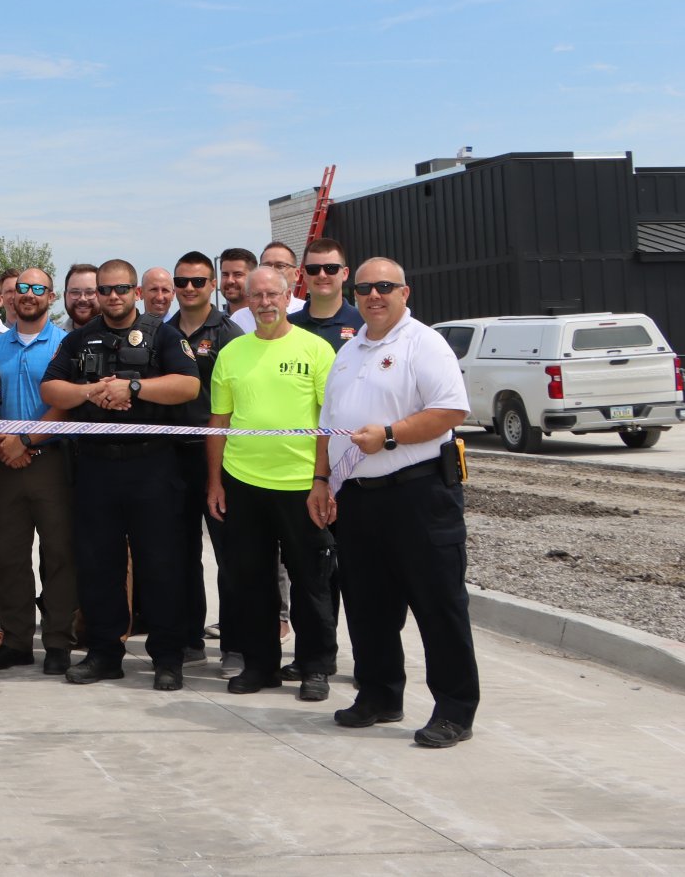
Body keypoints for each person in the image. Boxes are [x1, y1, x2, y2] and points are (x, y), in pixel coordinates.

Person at [314, 258, 479, 748]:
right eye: (364, 288)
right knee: (368, 605)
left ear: (405, 292)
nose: (373, 295)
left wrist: (389, 436)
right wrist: (320, 480)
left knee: (438, 604)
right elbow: (329, 422)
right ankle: (379, 695)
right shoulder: (349, 350)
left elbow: (451, 410)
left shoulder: (423, 343)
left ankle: (454, 709)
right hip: (358, 499)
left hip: (419, 494)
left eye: (384, 287)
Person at [40, 258, 201, 691]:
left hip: (152, 466)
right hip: (96, 466)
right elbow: (50, 389)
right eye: (104, 290)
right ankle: (104, 653)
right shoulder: (79, 340)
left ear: (135, 292)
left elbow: (188, 385)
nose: (112, 297)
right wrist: (91, 390)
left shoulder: (162, 335)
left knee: (161, 564)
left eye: (120, 289)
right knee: (98, 564)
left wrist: (132, 387)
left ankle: (168, 656)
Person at [207, 268, 338, 702]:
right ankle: (260, 665)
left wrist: (322, 479)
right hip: (243, 482)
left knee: (311, 580)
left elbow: (328, 424)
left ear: (288, 297)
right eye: (256, 296)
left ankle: (316, 666)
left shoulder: (316, 350)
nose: (264, 303)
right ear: (246, 301)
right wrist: (216, 482)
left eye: (272, 295)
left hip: (302, 486)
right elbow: (219, 423)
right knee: (251, 579)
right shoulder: (232, 353)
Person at [0, 267, 76, 676]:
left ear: (51, 297)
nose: (29, 294)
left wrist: (28, 440)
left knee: (58, 556)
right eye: (22, 287)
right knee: (7, 557)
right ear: (11, 296)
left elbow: (69, 404)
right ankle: (18, 641)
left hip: (52, 464)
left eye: (38, 288)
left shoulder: (66, 345)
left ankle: (57, 642)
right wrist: (4, 443)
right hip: (1, 462)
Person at [169, 251, 242, 671]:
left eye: (198, 281)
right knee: (178, 553)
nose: (190, 288)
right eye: (183, 281)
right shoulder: (161, 333)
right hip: (172, 457)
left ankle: (234, 642)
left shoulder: (229, 334)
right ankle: (187, 637)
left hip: (221, 457)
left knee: (231, 555)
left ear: (212, 285)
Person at [291, 237, 365, 352]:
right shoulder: (288, 325)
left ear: (345, 273)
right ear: (304, 275)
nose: (322, 275)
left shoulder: (364, 323)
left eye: (331, 268)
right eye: (313, 269)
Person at [232, 242, 302, 332]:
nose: (272, 270)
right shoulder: (239, 319)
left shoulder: (307, 313)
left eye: (280, 266)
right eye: (266, 266)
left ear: (296, 274)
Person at [217, 248, 257, 320]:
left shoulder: (264, 321)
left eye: (238, 274)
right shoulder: (213, 324)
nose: (230, 281)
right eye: (225, 275)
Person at [62, 263, 100, 329]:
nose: (83, 299)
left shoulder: (121, 337)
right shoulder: (55, 338)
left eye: (90, 292)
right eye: (75, 292)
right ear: (65, 296)